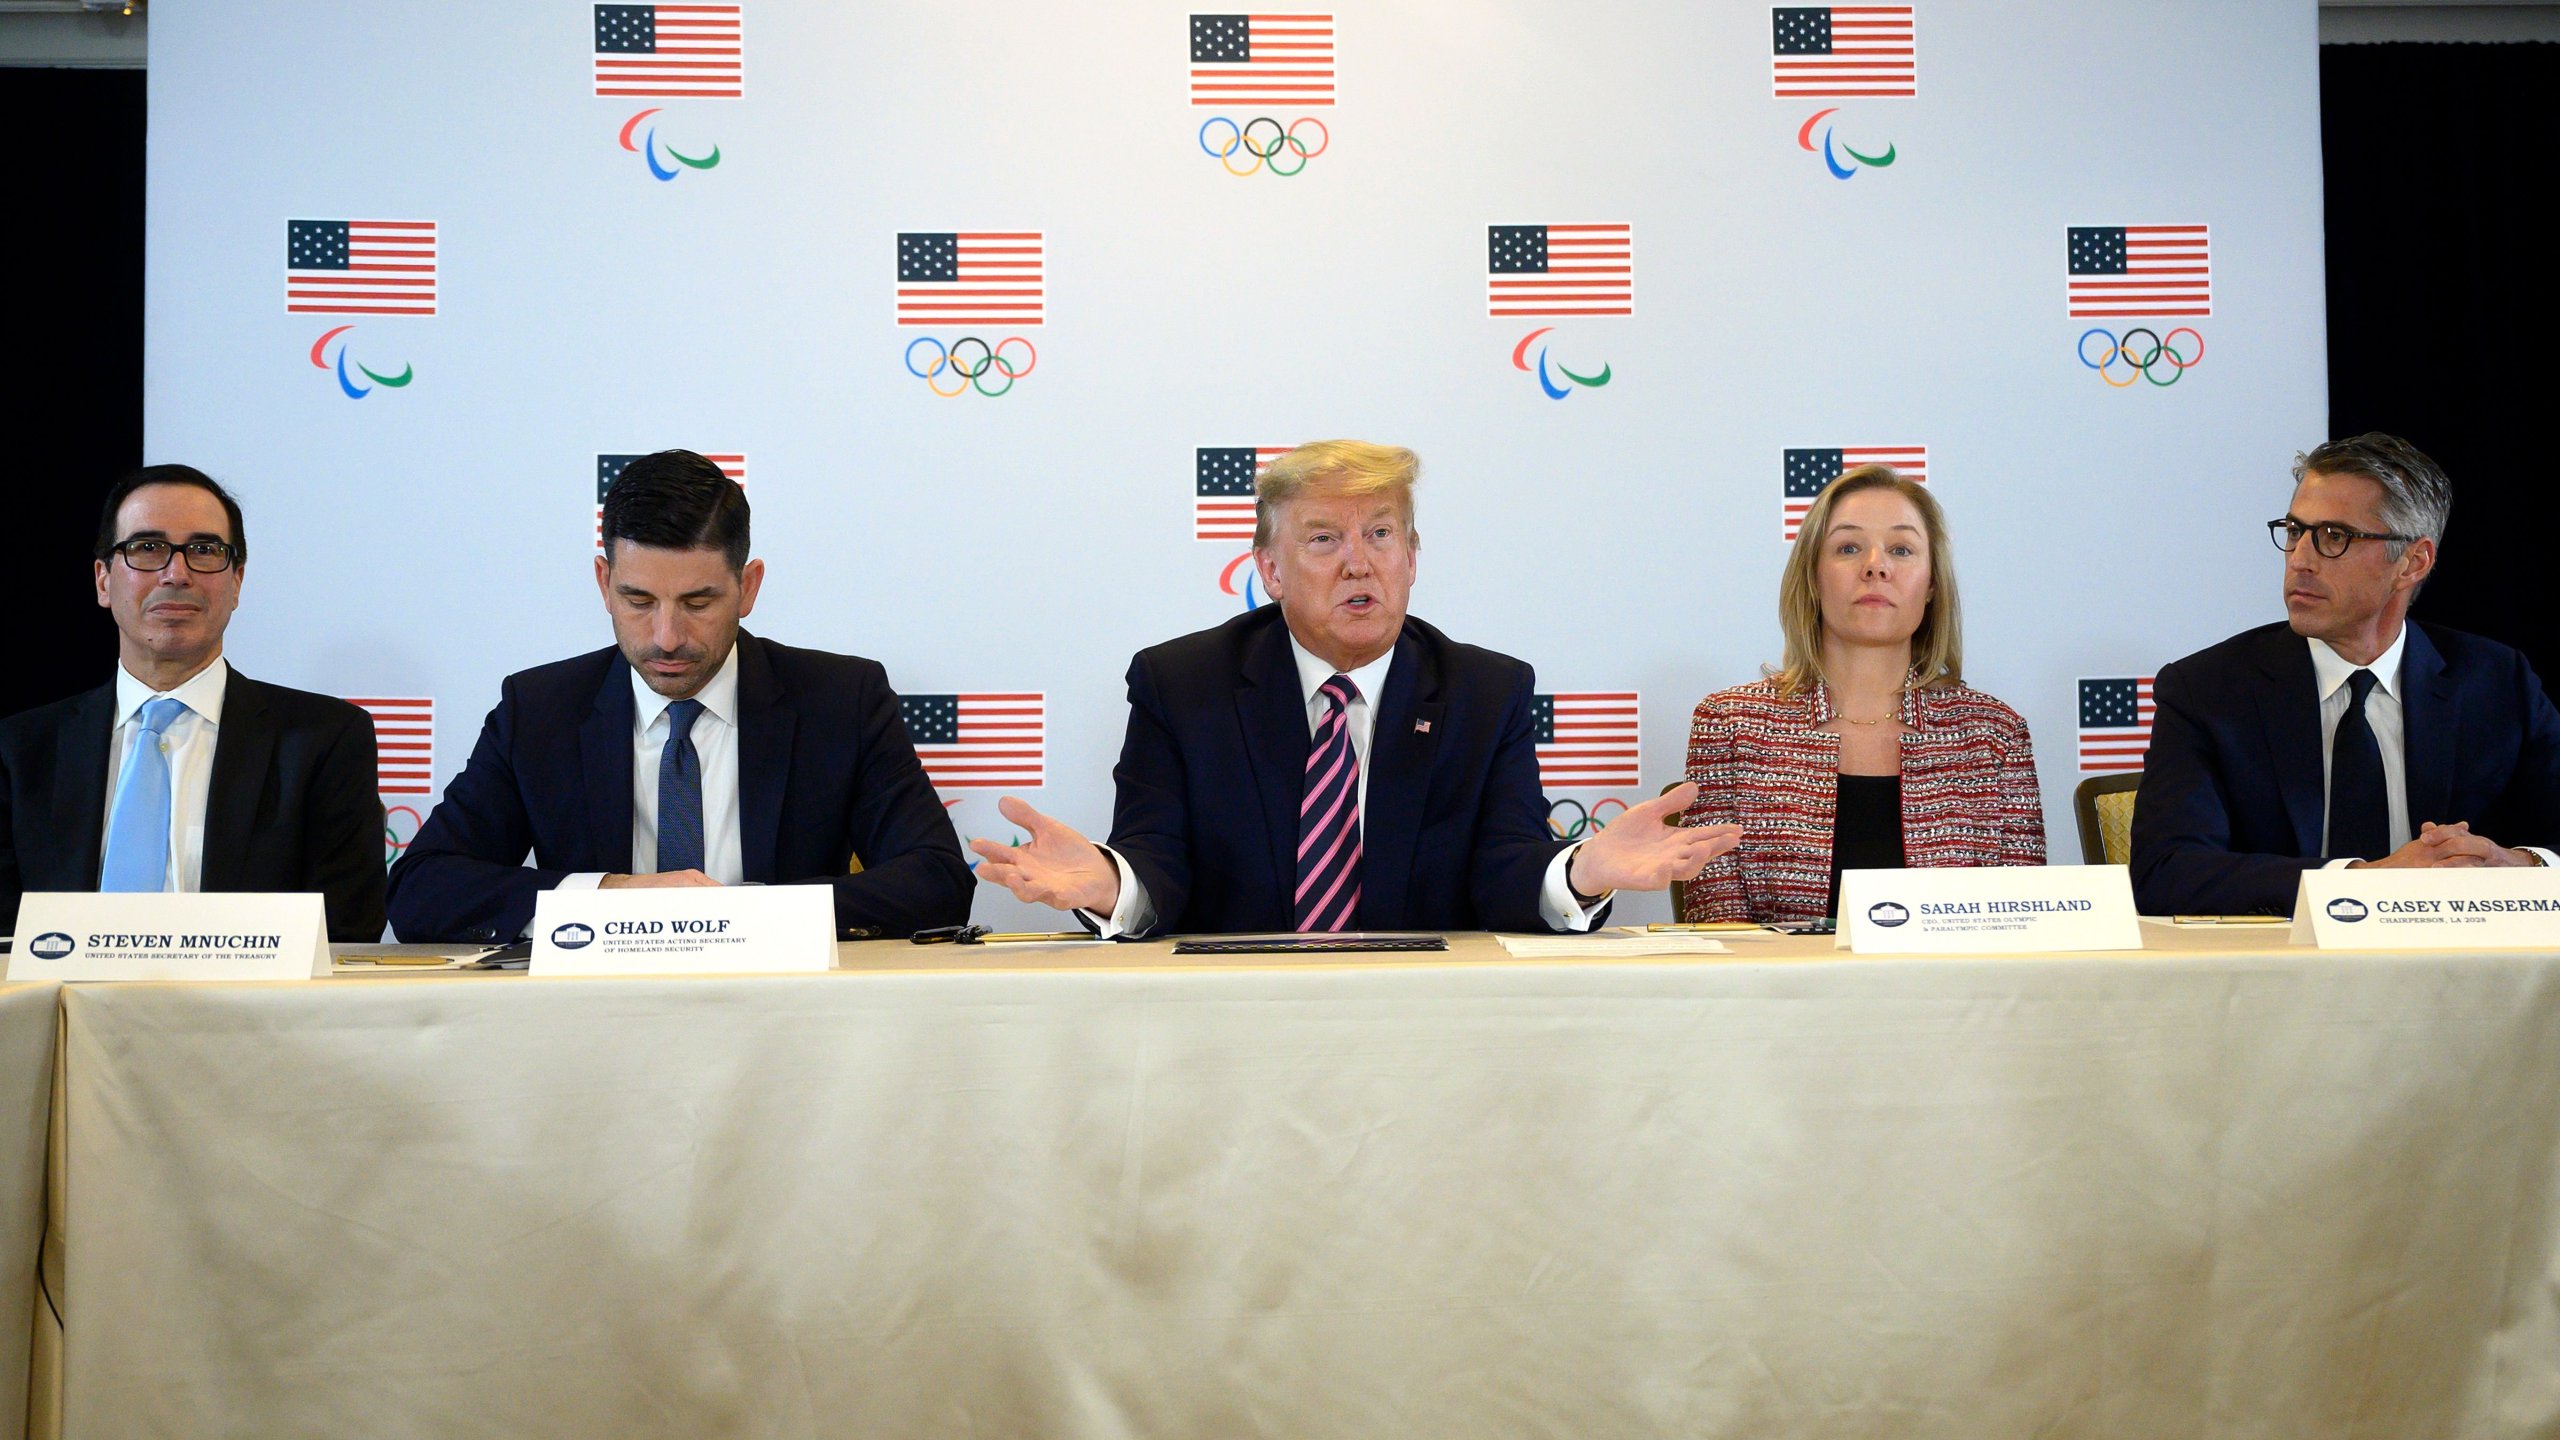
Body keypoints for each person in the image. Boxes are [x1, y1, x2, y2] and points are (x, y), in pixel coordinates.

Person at [970, 440, 1738, 935]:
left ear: (1412, 555)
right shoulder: (1182, 685)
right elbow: (1157, 862)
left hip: (1424, 1022)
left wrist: (1580, 872)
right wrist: (1107, 884)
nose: (1358, 563)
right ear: (1269, 570)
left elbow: (1506, 867)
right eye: (1323, 539)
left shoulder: (1484, 689)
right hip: (1230, 1024)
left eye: (1380, 533)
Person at [385, 450, 971, 942]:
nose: (667, 637)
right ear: (603, 584)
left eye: (697, 603)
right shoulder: (539, 710)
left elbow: (937, 881)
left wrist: (742, 918)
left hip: (788, 1020)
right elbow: (421, 891)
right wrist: (612, 897)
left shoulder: (842, 700)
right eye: (639, 601)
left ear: (749, 587)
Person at [2131, 433, 2560, 915]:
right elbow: (2166, 871)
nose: (2301, 559)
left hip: (2463, 977)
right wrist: (2365, 881)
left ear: (2413, 562)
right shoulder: (2207, 690)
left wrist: (2520, 865)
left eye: (2334, 537)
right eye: (2295, 531)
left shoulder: (2498, 683)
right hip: (2288, 979)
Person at [0, 465, 386, 940]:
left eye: (204, 551)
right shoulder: (21, 749)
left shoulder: (324, 740)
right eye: (146, 548)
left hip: (250, 1014)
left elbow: (346, 927)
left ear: (237, 580)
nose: (176, 573)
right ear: (103, 581)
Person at [1679, 465, 2044, 924]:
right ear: (1812, 578)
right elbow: (1719, 923)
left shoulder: (1993, 733)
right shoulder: (1731, 724)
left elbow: (2022, 925)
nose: (1876, 565)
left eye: (1901, 549)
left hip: (1952, 994)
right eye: (1848, 548)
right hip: (1779, 992)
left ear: (1931, 585)